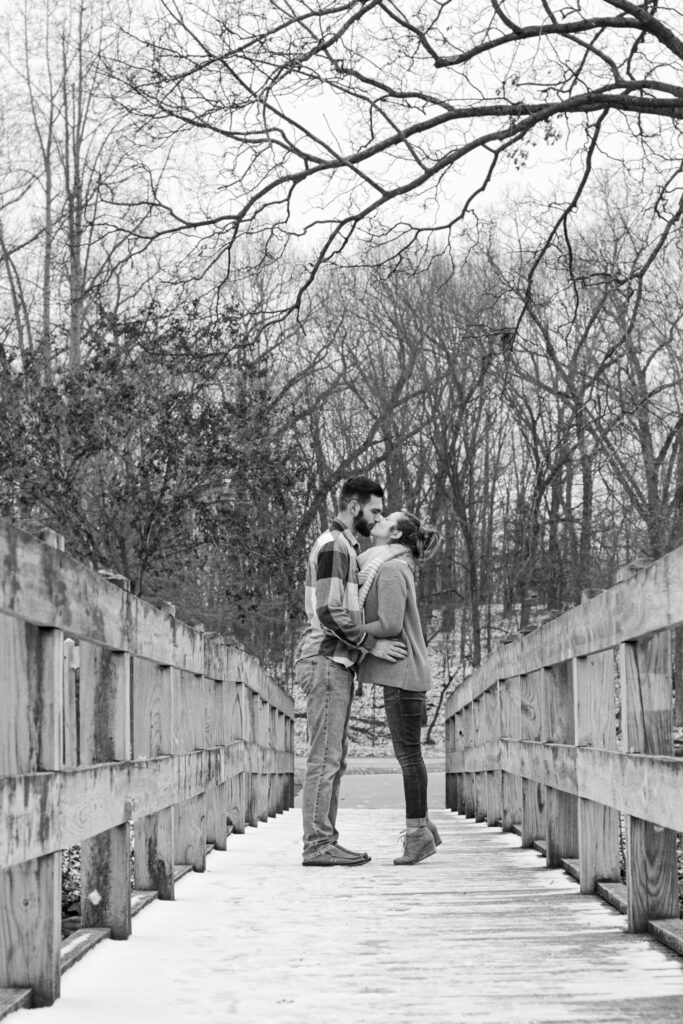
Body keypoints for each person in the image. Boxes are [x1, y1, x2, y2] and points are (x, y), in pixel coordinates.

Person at [295, 477, 408, 867]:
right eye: (374, 510)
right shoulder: (334, 546)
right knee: (325, 757)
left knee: (334, 758)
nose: (377, 516)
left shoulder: (345, 547)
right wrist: (371, 644)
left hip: (336, 661)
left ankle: (325, 839)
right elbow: (329, 610)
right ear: (353, 506)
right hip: (325, 659)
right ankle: (317, 844)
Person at [357, 510, 442, 865]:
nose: (377, 520)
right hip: (405, 675)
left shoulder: (391, 569)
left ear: (394, 535)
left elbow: (390, 624)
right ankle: (424, 827)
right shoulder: (395, 565)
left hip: (402, 675)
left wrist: (350, 629)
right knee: (411, 756)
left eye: (385, 519)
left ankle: (417, 834)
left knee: (408, 758)